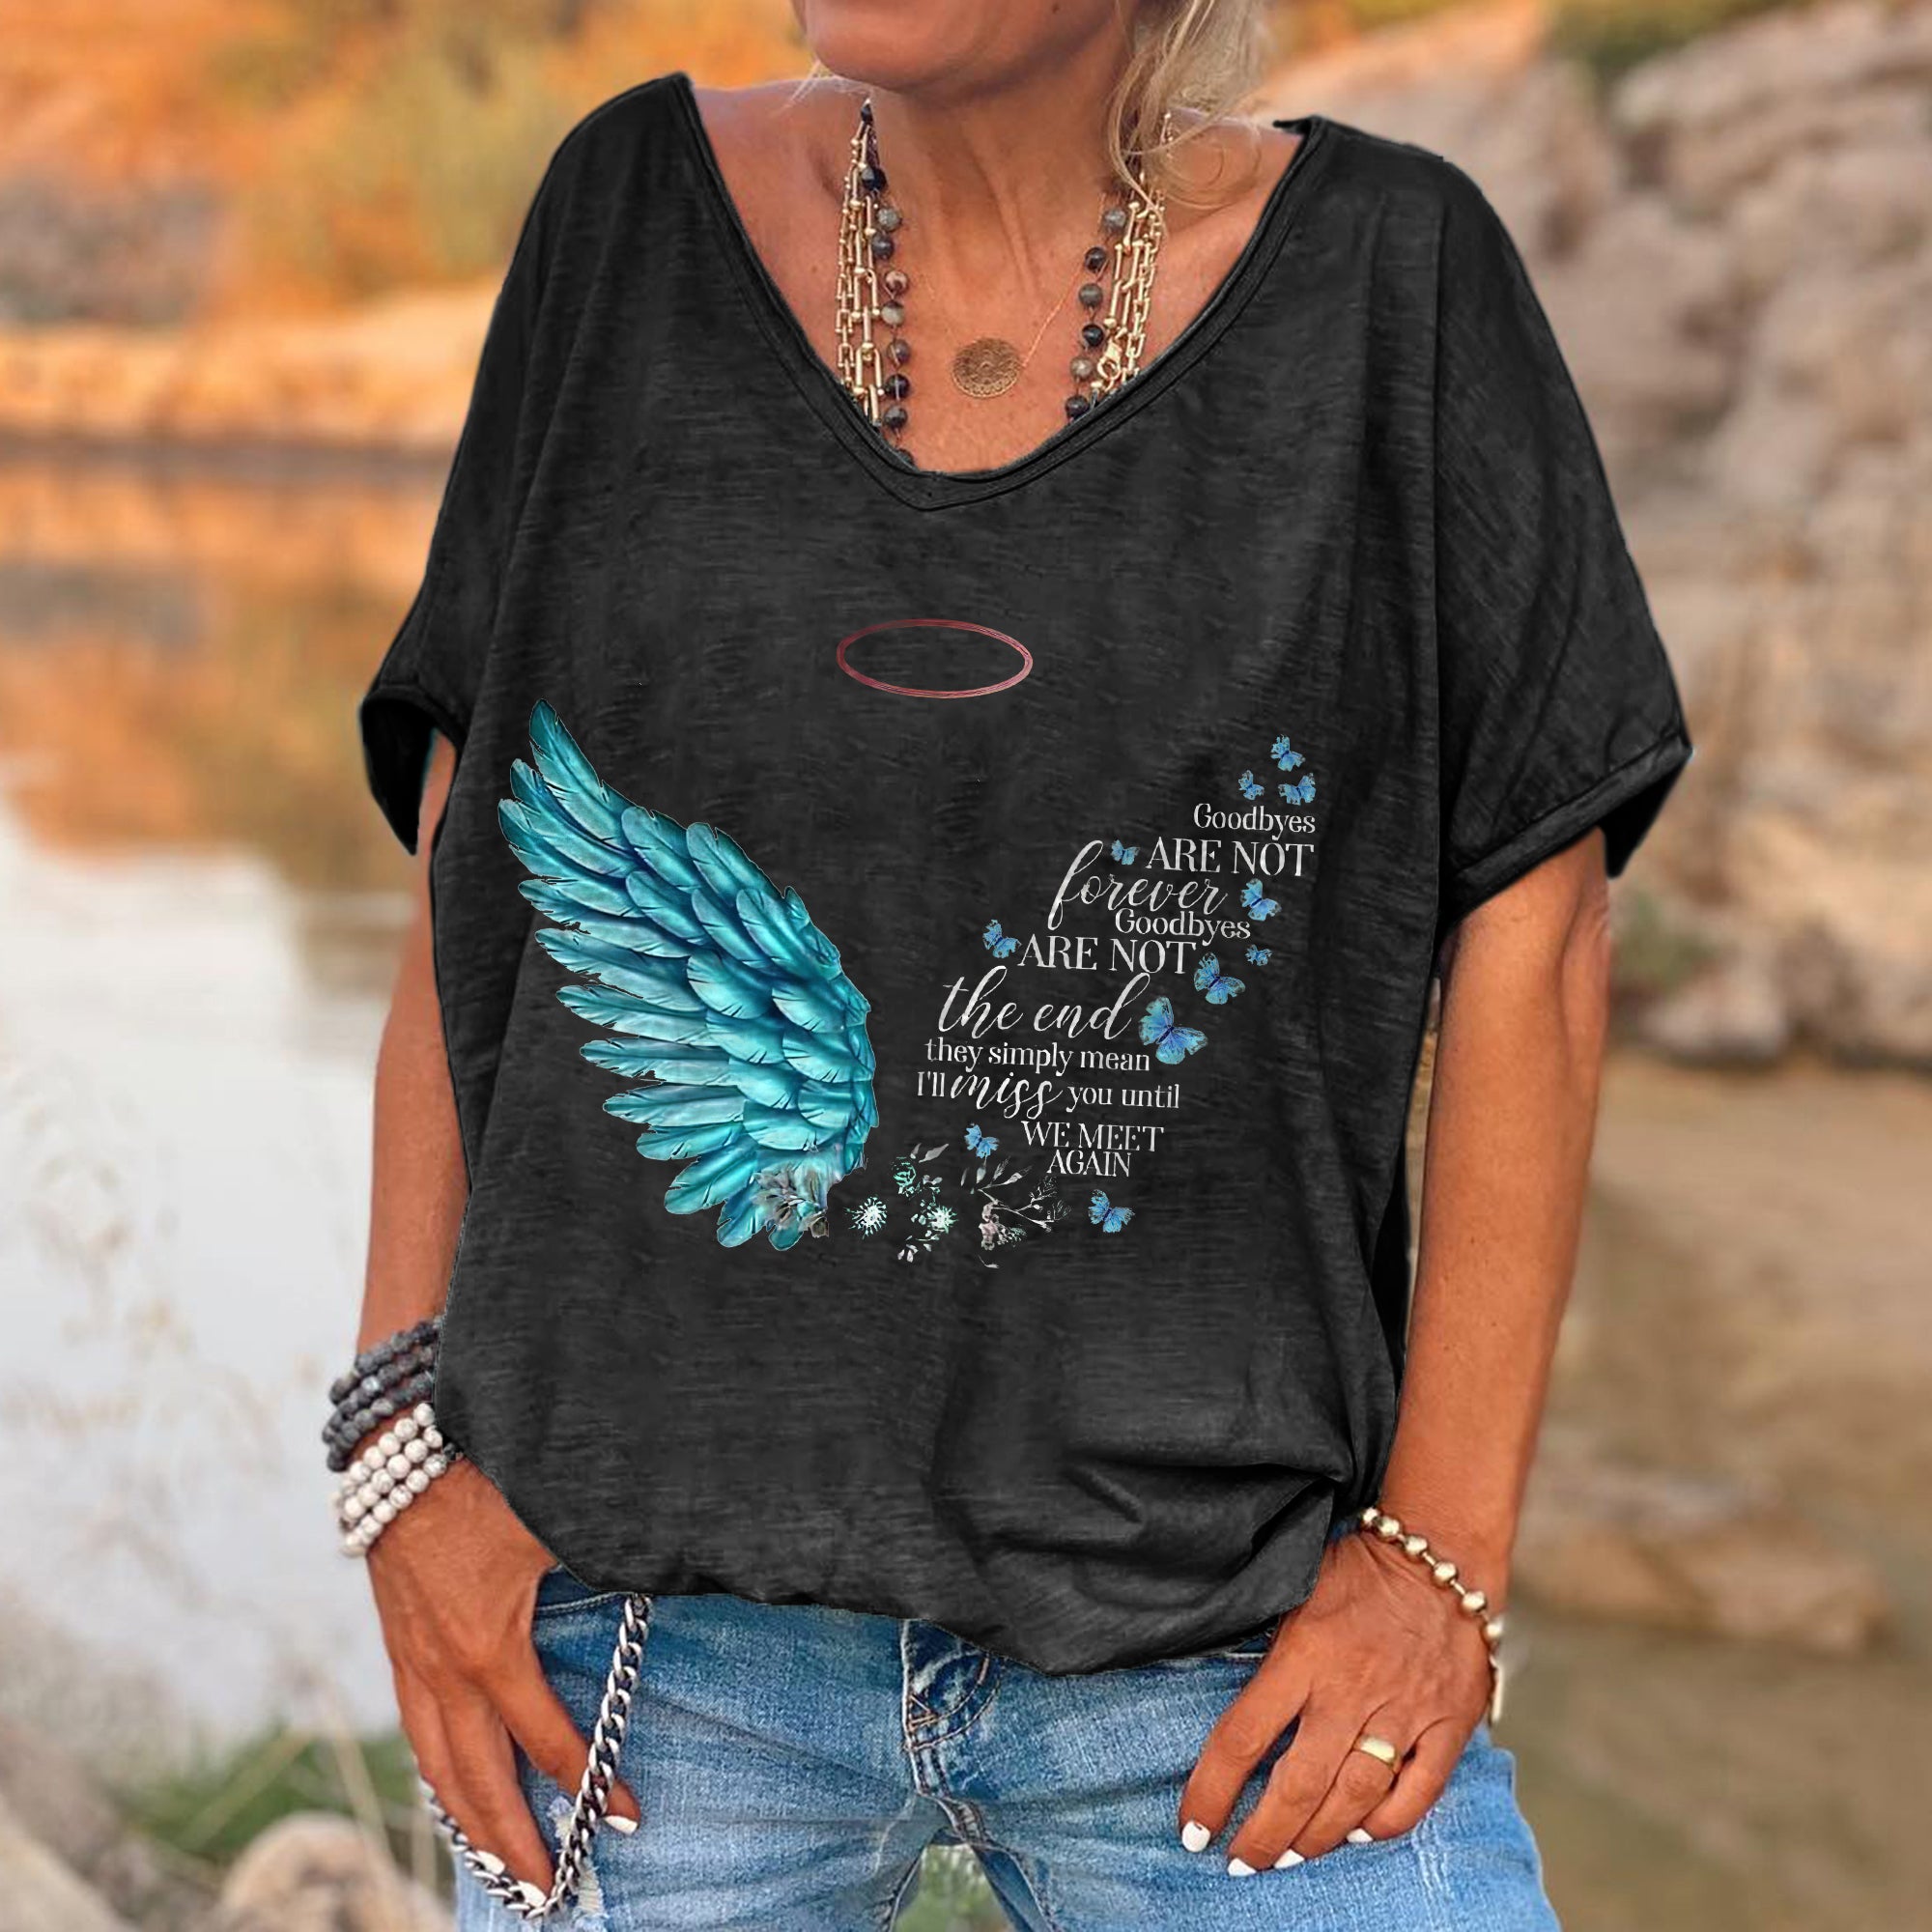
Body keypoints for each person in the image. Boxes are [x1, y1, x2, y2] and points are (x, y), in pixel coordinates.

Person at [346, 1, 1692, 1924]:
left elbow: (1535, 922)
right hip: (645, 1648)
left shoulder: (1398, 279)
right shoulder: (625, 215)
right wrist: (401, 1456)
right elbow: (468, 861)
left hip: (1225, 1635)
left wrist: (1442, 1561)